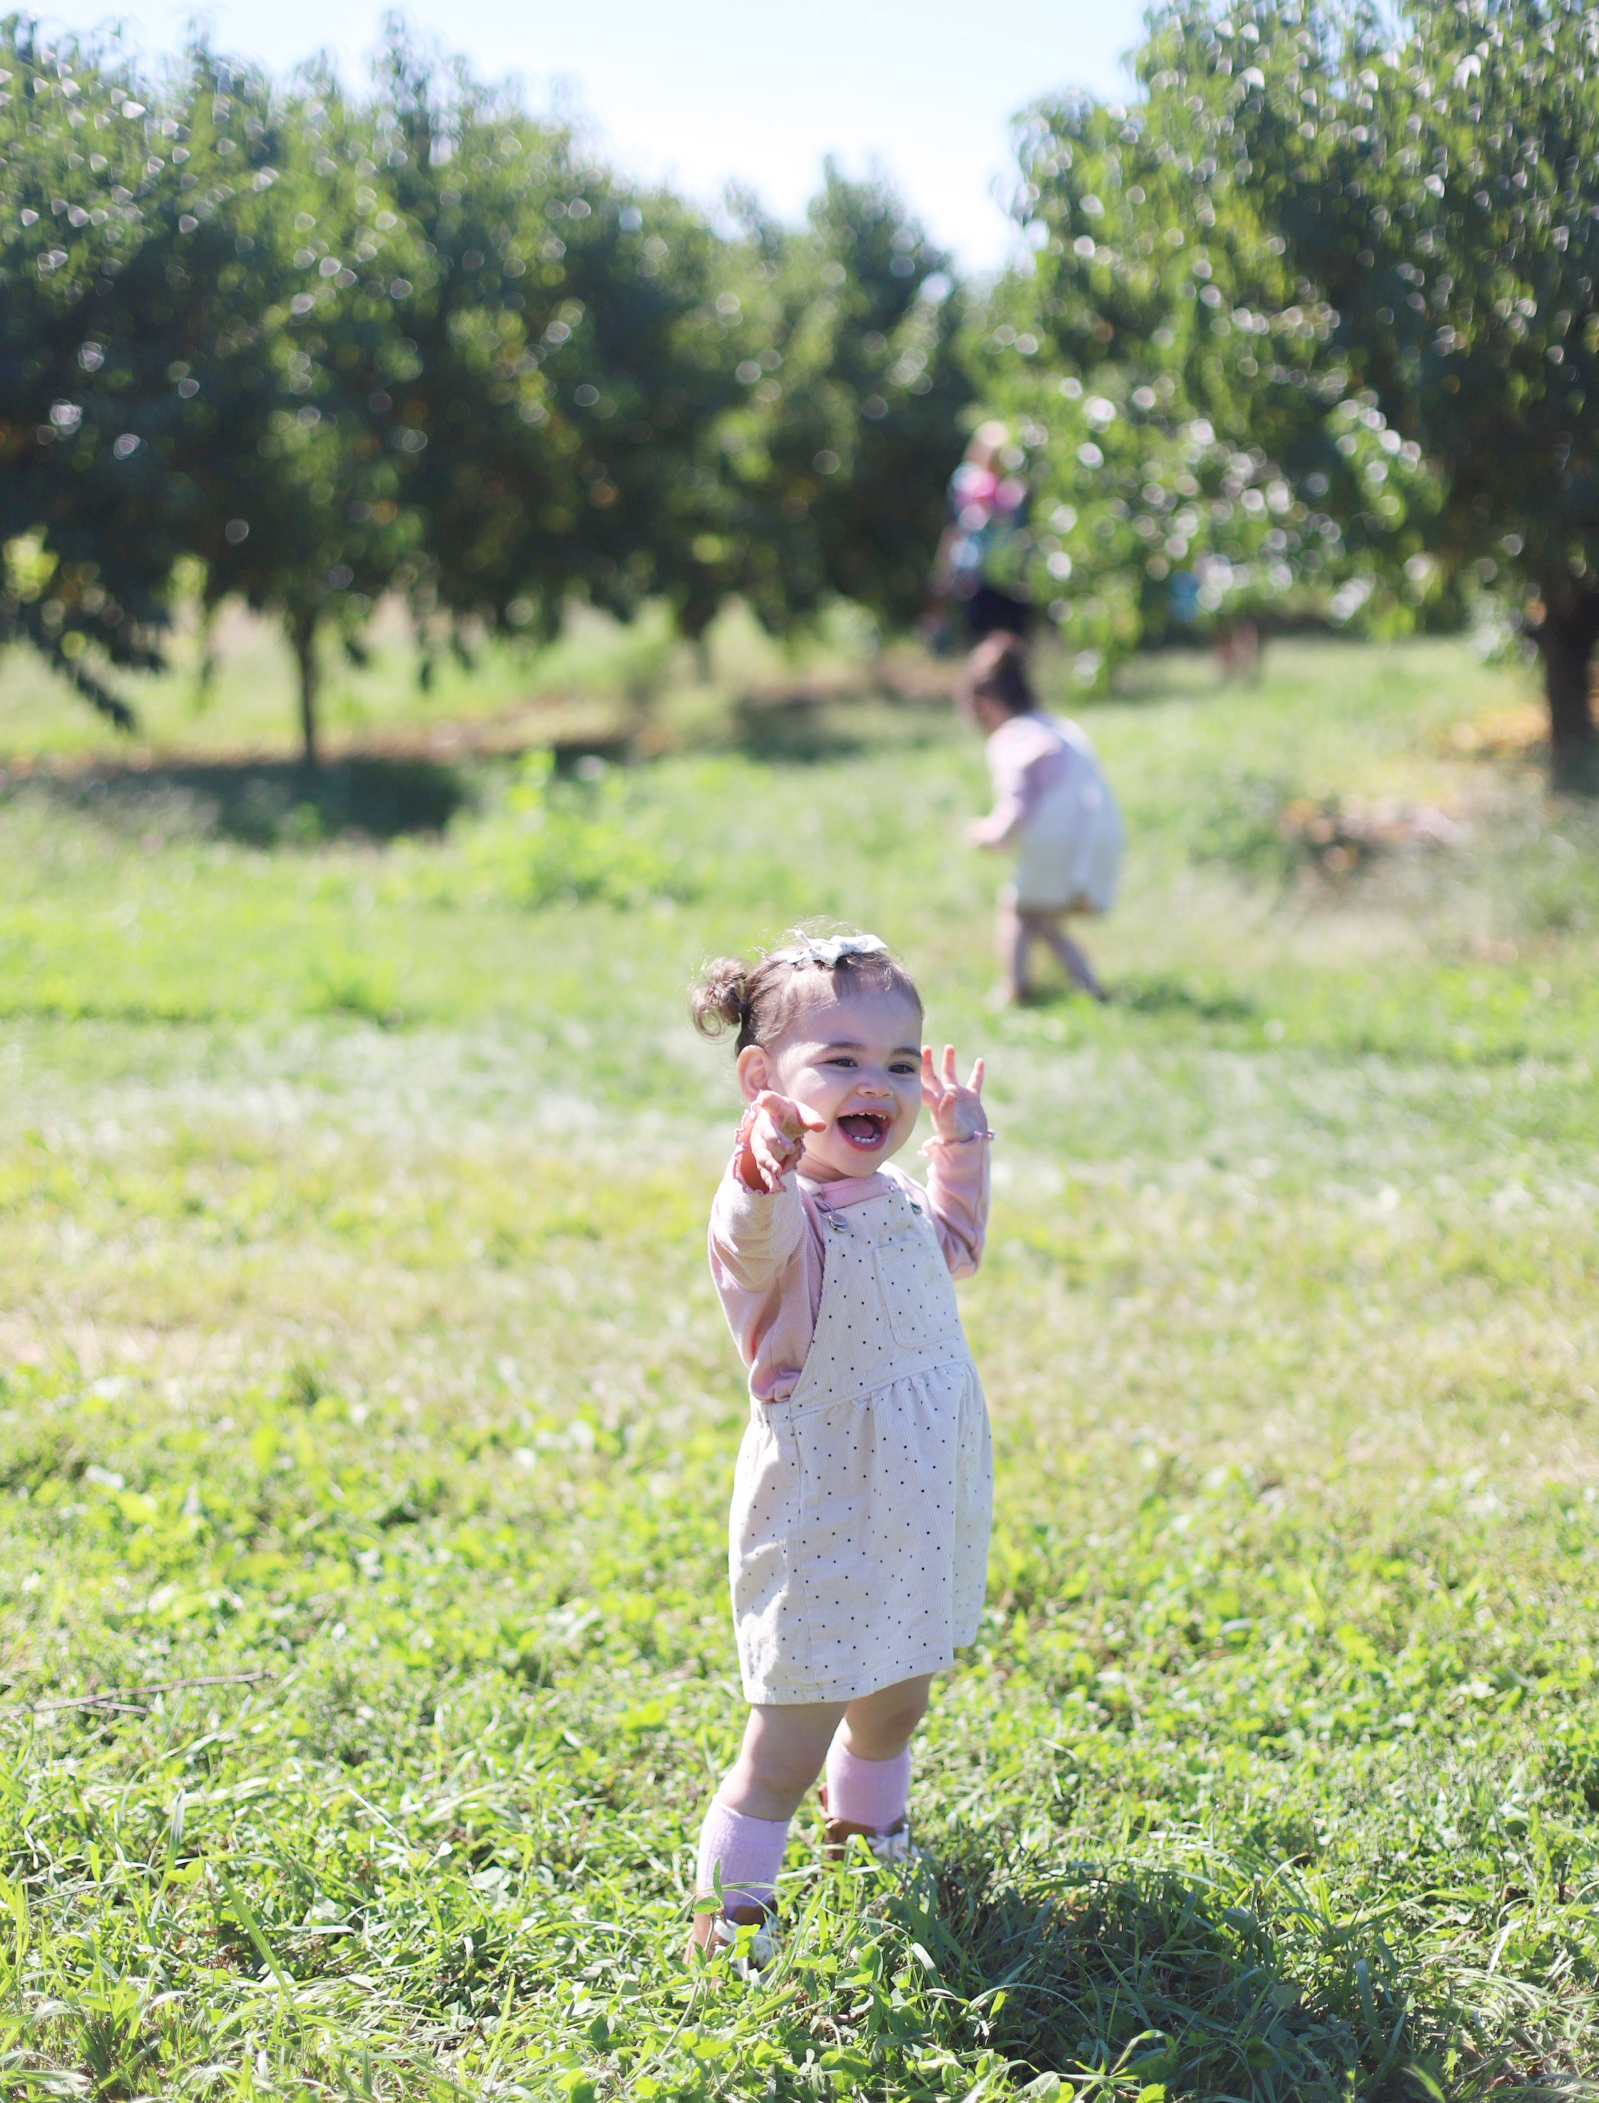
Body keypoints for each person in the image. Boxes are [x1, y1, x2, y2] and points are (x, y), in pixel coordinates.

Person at [686, 931, 994, 1973]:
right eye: (843, 1060)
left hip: (911, 1505)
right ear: (761, 1081)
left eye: (900, 1064)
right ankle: (730, 1924)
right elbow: (746, 1237)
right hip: (822, 1516)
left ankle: (865, 1841)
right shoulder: (785, 1218)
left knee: (896, 1697)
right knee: (788, 1742)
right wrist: (755, 1166)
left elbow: (952, 1247)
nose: (880, 1085)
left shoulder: (896, 1195)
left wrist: (959, 1151)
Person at [963, 632, 1122, 1005]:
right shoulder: (1056, 725)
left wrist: (993, 832)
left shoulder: (1011, 737)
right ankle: (1087, 985)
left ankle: (1013, 989)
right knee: (1041, 916)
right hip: (1098, 827)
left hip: (1057, 830)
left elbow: (1017, 798)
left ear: (985, 704)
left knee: (1017, 909)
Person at [927, 421, 1033, 647]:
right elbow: (953, 526)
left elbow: (1024, 530)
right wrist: (943, 566)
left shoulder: (1016, 488)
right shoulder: (965, 483)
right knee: (980, 638)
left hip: (1011, 576)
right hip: (975, 574)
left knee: (1014, 641)